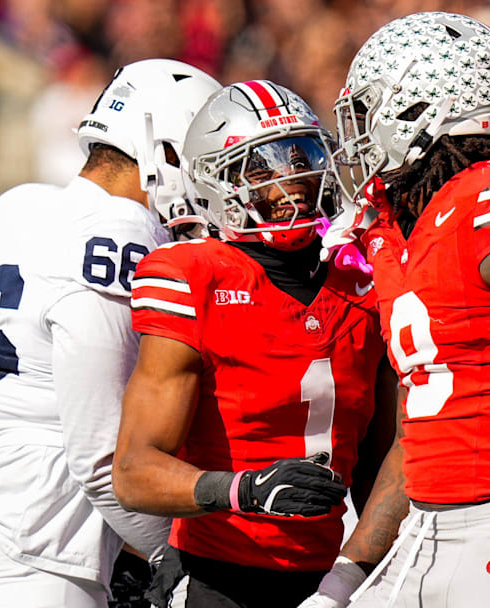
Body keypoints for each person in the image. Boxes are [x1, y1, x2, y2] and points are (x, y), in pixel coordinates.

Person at [299, 11, 490, 608]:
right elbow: (419, 433)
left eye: (368, 110)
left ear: (420, 108)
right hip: (425, 526)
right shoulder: (397, 228)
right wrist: (342, 580)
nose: (358, 132)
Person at [0, 59, 221, 607]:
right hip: (31, 556)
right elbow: (104, 458)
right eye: (203, 162)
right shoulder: (117, 230)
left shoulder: (14, 206)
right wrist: (180, 560)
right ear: (166, 153)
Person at [111, 80, 397, 608]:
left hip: (339, 573)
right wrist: (244, 490)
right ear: (218, 185)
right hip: (221, 573)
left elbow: (384, 467)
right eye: (261, 170)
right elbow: (133, 471)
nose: (290, 181)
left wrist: (368, 569)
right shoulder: (194, 277)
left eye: (301, 158)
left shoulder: (365, 283)